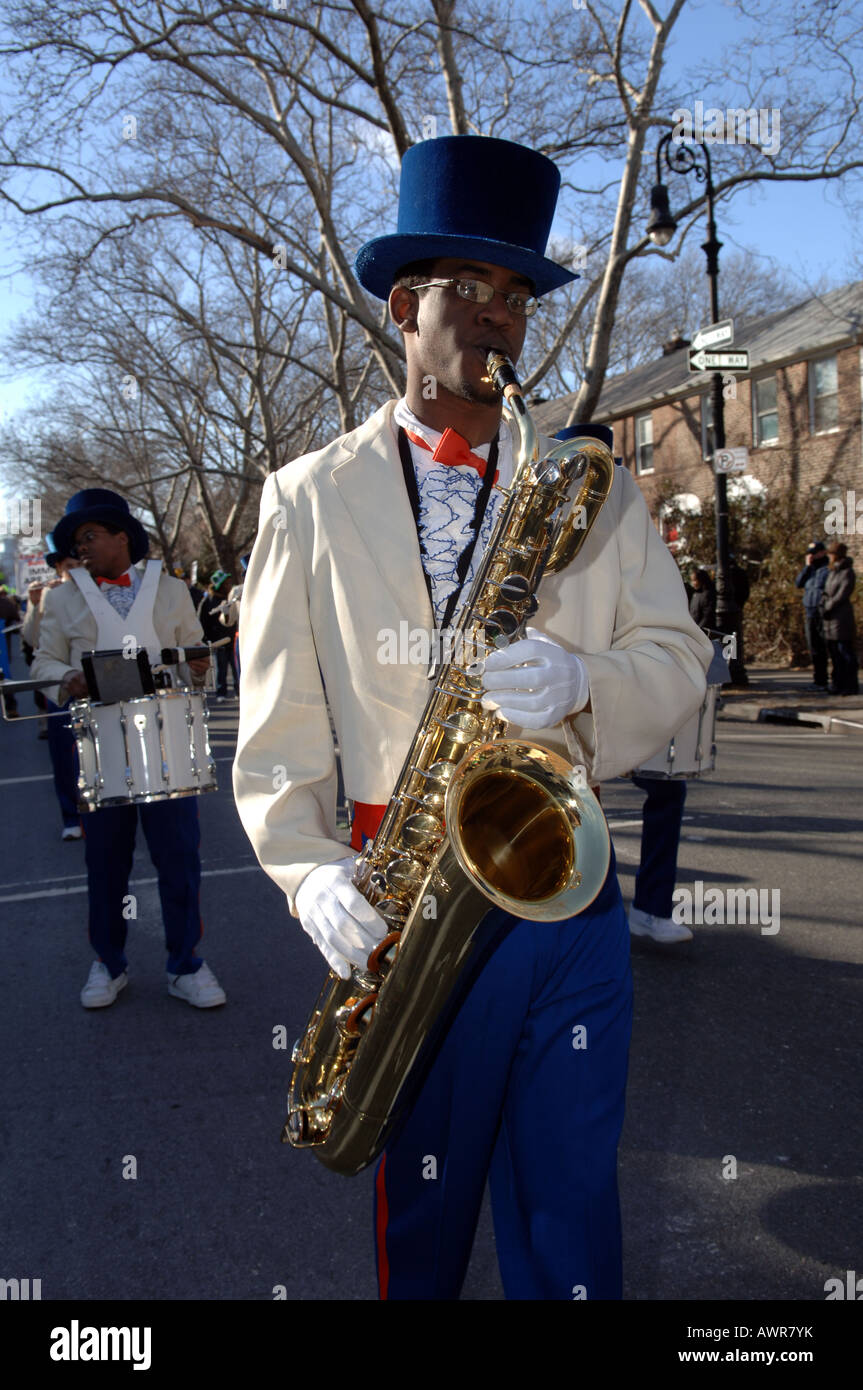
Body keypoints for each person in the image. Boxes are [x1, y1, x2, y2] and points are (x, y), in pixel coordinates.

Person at [233, 134, 713, 1301]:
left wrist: (584, 679)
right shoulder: (305, 495)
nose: (498, 317)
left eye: (516, 296)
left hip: (565, 893)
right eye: (470, 289)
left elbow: (678, 651)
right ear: (405, 305)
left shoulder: (587, 480)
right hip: (406, 898)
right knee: (428, 1221)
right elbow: (276, 724)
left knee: (570, 1213)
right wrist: (307, 876)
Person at [32, 488, 227, 1009]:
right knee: (106, 862)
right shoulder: (62, 596)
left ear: (122, 537)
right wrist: (66, 677)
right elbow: (42, 662)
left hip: (169, 742)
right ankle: (109, 964)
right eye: (76, 540)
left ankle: (186, 964)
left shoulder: (171, 588)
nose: (82, 547)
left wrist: (199, 665)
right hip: (100, 749)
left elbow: (193, 653)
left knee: (179, 859)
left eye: (90, 536)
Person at [21, 538, 86, 837]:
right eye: (68, 566)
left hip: (94, 687)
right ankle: (71, 816)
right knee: (64, 755)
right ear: (59, 568)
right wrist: (34, 607)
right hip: (63, 686)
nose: (75, 570)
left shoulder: (95, 589)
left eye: (78, 565)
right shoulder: (50, 594)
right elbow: (34, 640)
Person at [820, 540, 859, 696]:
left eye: (831, 554)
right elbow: (826, 591)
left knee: (845, 652)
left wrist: (829, 606)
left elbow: (842, 594)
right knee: (835, 654)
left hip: (841, 618)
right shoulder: (832, 571)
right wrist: (823, 604)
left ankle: (850, 684)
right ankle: (837, 683)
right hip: (829, 619)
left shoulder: (847, 572)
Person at [197, 570, 238, 699]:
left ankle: (239, 692)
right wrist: (206, 639)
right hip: (218, 641)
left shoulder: (231, 597)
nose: (228, 585)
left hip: (232, 639)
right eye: (225, 583)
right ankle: (221, 693)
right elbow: (202, 621)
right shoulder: (208, 601)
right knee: (222, 668)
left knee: (236, 667)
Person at [795, 540, 830, 692]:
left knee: (825, 647)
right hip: (810, 611)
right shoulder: (810, 570)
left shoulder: (827, 568)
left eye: (814, 553)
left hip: (823, 612)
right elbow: (798, 583)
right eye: (810, 554)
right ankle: (819, 680)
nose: (812, 556)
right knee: (814, 647)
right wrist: (807, 566)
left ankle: (828, 680)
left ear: (822, 552)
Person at [689, 567, 716, 632]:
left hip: (701, 632)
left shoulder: (707, 595)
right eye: (692, 580)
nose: (693, 583)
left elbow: (707, 616)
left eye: (694, 580)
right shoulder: (695, 594)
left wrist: (698, 630)